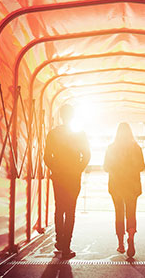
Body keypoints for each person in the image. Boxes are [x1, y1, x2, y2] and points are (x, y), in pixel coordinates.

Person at [44, 104, 91, 259]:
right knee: (70, 210)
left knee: (59, 208)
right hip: (73, 176)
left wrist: (55, 168)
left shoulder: (53, 134)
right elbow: (87, 155)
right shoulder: (79, 134)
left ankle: (59, 240)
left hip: (58, 176)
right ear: (73, 116)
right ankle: (66, 247)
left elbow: (46, 157)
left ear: (61, 116)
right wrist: (78, 168)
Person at [103, 122, 145, 258]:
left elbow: (105, 167)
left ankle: (121, 244)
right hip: (132, 185)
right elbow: (142, 166)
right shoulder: (136, 147)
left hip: (116, 185)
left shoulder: (111, 148)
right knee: (131, 212)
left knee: (119, 213)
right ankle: (131, 236)